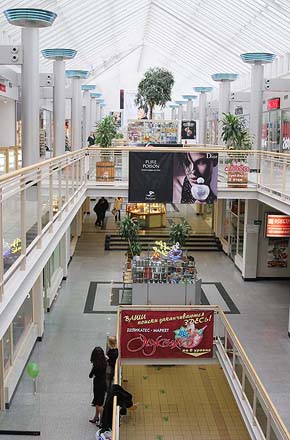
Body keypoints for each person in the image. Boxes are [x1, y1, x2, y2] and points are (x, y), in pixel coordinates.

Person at [89, 346, 107, 426]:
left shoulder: (96, 365)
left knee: (99, 404)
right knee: (97, 402)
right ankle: (96, 417)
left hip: (97, 384)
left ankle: (102, 421)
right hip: (103, 383)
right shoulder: (105, 362)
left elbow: (90, 375)